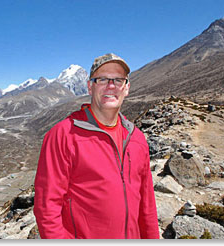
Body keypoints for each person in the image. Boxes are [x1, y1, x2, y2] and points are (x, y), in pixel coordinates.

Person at [33, 53, 159, 239]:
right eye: (102, 79)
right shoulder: (63, 135)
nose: (111, 86)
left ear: (127, 88)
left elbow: (147, 206)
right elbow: (46, 208)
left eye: (118, 80)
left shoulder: (137, 139)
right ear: (90, 87)